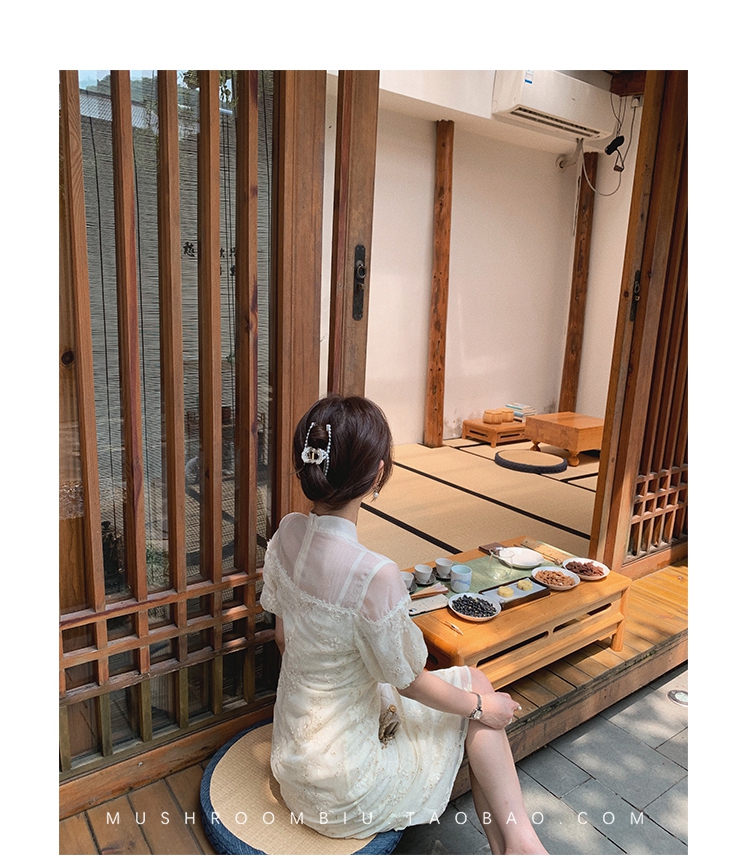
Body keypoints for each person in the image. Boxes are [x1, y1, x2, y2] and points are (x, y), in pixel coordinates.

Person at [259, 395, 547, 855]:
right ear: (377, 474)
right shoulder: (375, 573)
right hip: (347, 788)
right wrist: (480, 708)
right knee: (478, 697)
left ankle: (514, 847)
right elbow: (409, 681)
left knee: (469, 695)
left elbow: (283, 639)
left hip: (293, 762)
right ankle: (522, 844)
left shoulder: (288, 532)